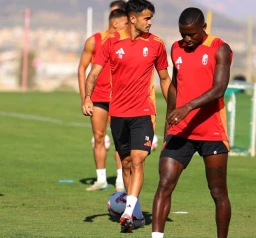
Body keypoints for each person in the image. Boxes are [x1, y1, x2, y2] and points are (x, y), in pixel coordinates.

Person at [82, 0, 171, 233]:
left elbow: (164, 79)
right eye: (147, 18)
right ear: (133, 19)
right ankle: (137, 212)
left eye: (151, 18)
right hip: (118, 113)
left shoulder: (157, 44)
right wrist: (87, 98)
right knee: (127, 163)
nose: (150, 22)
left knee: (139, 159)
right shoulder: (111, 42)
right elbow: (95, 71)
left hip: (144, 112)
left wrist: (175, 107)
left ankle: (129, 213)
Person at [151, 7, 233, 238]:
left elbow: (219, 89)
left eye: (191, 34)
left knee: (218, 192)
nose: (186, 39)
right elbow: (176, 85)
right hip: (180, 132)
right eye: (182, 34)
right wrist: (171, 118)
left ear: (203, 28)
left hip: (211, 131)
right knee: (164, 185)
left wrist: (187, 107)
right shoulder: (176, 48)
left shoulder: (220, 48)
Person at [78, 9, 127, 192]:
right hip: (98, 97)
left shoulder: (126, 41)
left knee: (120, 139)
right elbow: (82, 69)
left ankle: (121, 181)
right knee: (99, 137)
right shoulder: (94, 41)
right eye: (125, 23)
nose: (128, 27)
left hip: (119, 98)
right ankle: (101, 180)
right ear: (115, 23)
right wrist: (85, 98)